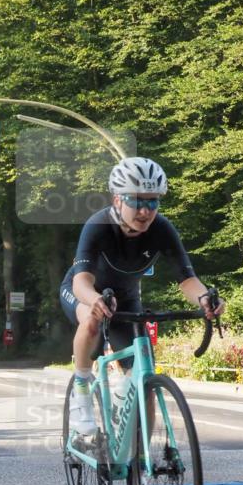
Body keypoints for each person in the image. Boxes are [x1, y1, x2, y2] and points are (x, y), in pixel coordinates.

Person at [59, 156, 225, 436]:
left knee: (142, 379)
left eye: (153, 202)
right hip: (86, 293)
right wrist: (95, 299)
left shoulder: (162, 229)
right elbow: (81, 283)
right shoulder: (98, 226)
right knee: (91, 319)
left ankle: (143, 469)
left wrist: (205, 298)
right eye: (137, 201)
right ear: (117, 200)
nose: (145, 211)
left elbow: (187, 280)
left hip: (126, 297)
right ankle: (82, 392)